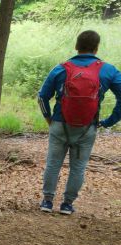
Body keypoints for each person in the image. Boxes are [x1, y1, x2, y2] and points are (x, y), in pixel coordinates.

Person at [37, 30, 121, 215]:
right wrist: (109, 121)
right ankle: (67, 204)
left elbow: (42, 96)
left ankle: (47, 201)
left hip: (59, 124)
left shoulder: (60, 68)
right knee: (78, 167)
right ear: (96, 47)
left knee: (53, 163)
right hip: (87, 127)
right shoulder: (108, 70)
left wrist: (49, 119)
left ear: (76, 46)